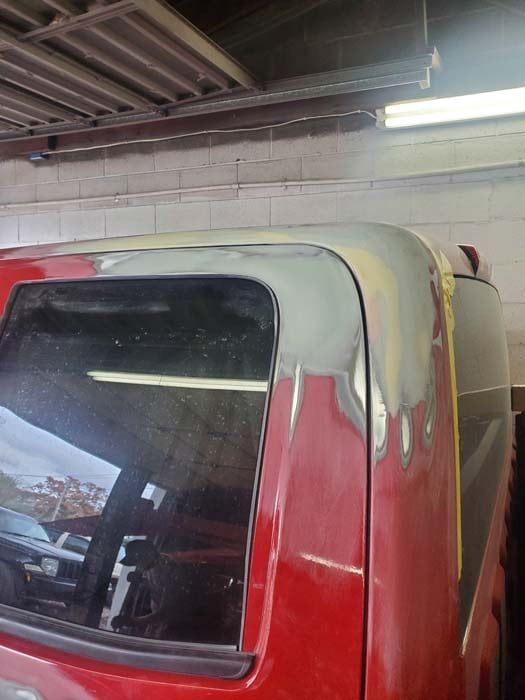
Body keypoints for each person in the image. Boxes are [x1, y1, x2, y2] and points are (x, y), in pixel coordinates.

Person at [110, 539, 180, 639]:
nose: (137, 566)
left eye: (137, 561)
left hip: (170, 630)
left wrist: (132, 621)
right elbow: (156, 585)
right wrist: (140, 581)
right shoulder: (152, 565)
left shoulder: (170, 570)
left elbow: (165, 613)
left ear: (147, 555)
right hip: (156, 624)